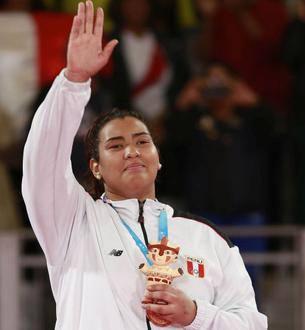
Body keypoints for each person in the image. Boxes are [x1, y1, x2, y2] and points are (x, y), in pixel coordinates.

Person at [21, 2, 267, 329]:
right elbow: (43, 161)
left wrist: (196, 315)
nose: (131, 152)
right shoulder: (73, 223)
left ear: (158, 158)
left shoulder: (207, 238)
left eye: (142, 142)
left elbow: (251, 323)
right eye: (115, 145)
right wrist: (74, 81)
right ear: (95, 167)